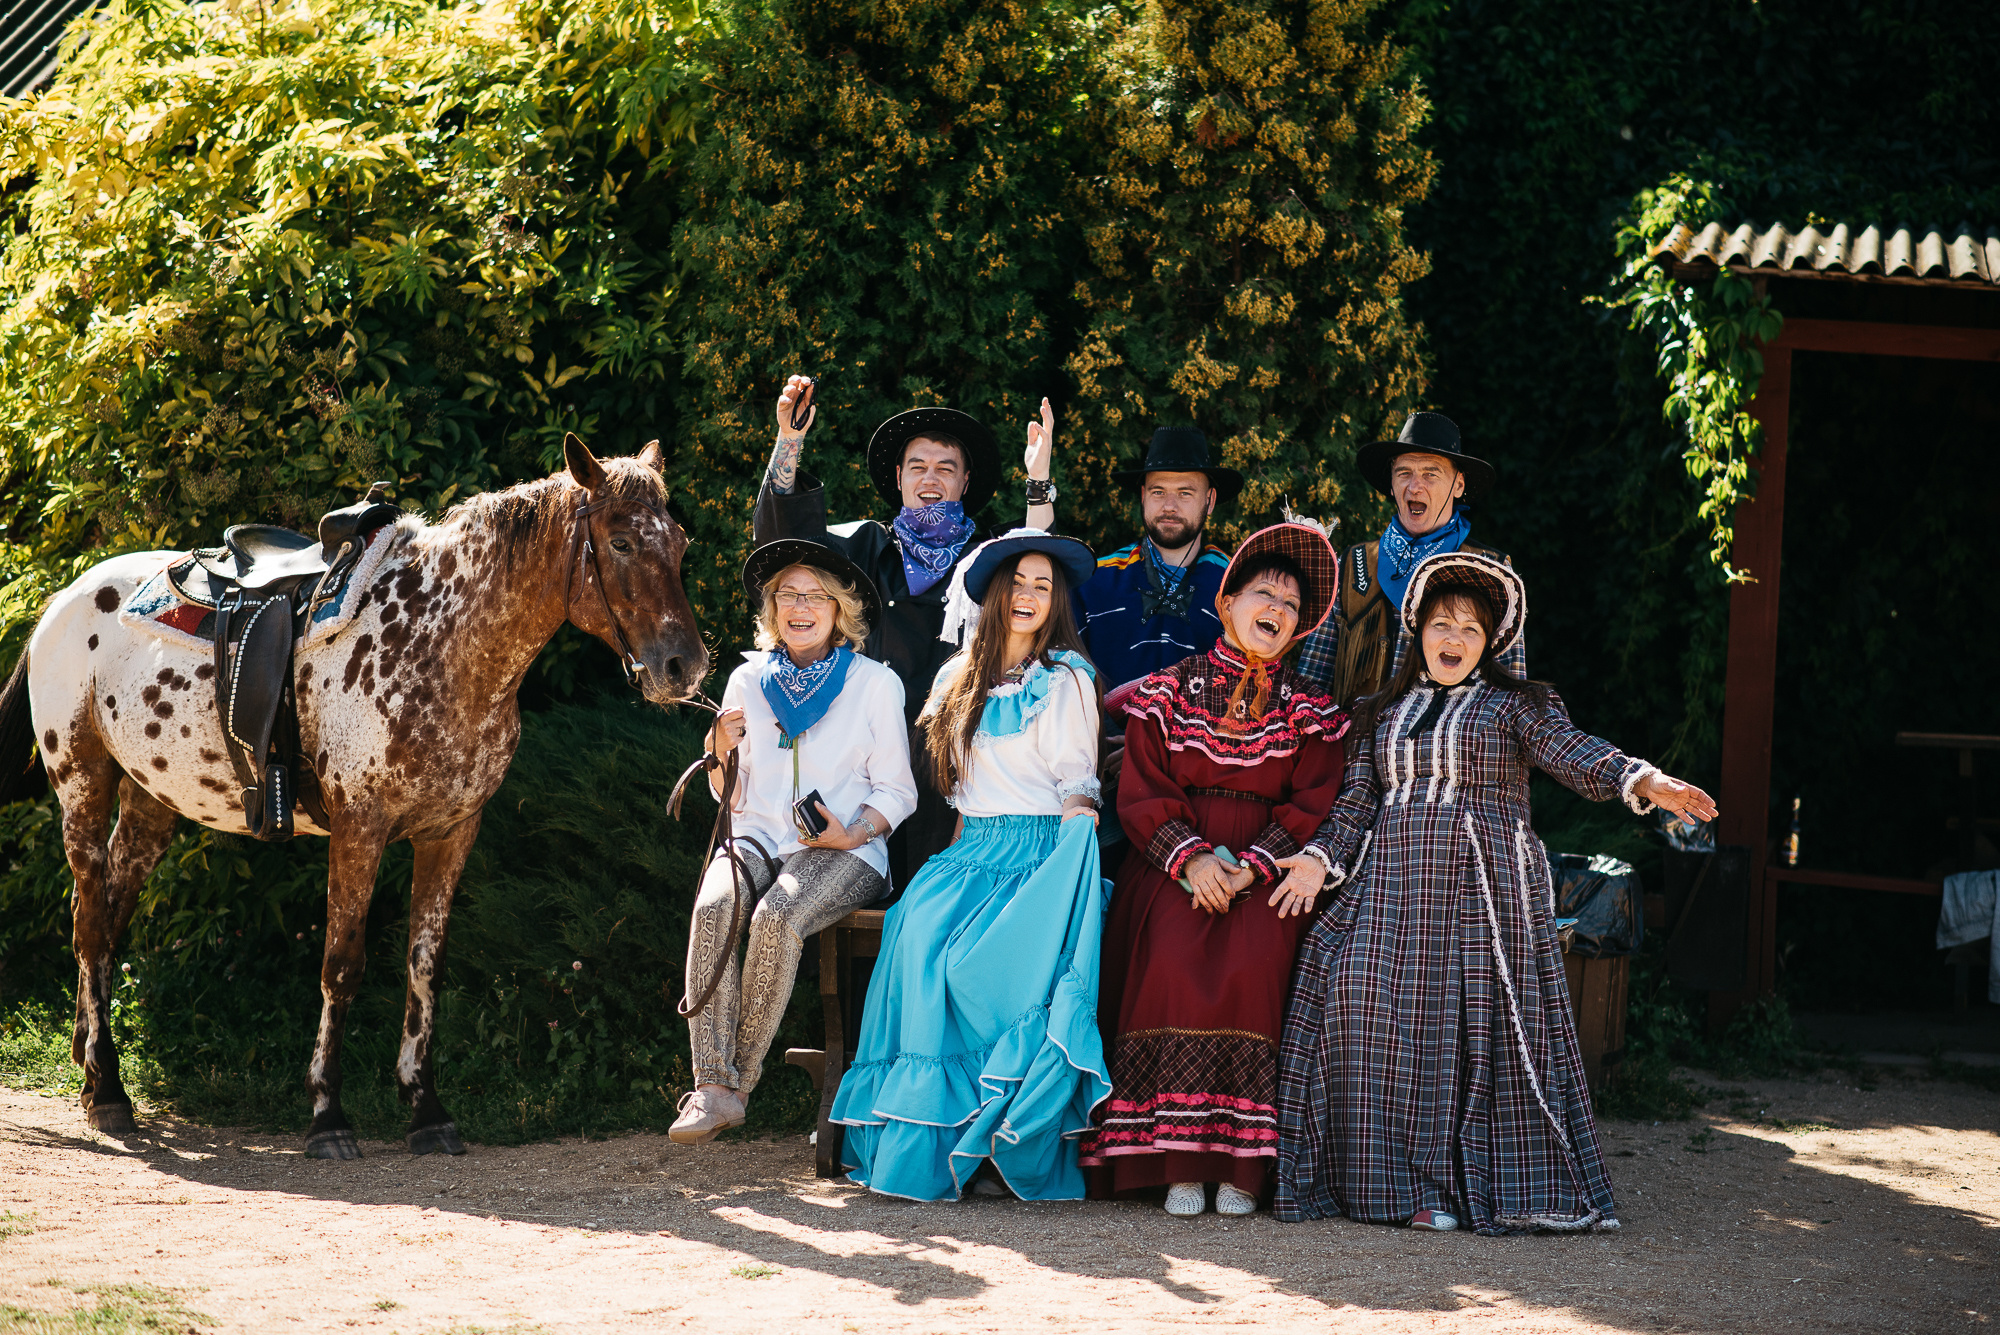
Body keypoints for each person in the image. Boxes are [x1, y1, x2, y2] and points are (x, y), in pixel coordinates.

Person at [1270, 552, 1717, 1234]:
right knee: (1352, 995)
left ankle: (1453, 1187)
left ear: (1491, 642)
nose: (1453, 639)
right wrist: (1317, 860)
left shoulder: (1516, 707)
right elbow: (1357, 803)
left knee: (1454, 1033)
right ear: (1418, 629)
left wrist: (1644, 779)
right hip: (1388, 888)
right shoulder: (1377, 711)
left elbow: (1573, 752)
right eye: (1442, 624)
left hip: (1478, 891)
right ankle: (1390, 1187)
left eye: (1471, 629)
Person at [1077, 522, 1349, 1217]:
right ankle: (1176, 1162)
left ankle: (1240, 1166)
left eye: (1292, 604)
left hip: (1267, 866)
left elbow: (1313, 800)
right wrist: (1193, 858)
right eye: (1264, 594)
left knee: (1255, 964)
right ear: (1227, 603)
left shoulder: (1312, 711)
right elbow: (1141, 788)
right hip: (1174, 859)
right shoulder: (1169, 691)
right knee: (1170, 957)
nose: (1277, 609)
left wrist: (1252, 867)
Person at [830, 530, 1110, 1201]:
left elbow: (1078, 783)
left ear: (1056, 602)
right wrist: (949, 863)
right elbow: (960, 791)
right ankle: (937, 1138)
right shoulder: (956, 678)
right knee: (917, 936)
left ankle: (996, 1142)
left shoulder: (1067, 678)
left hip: (1042, 851)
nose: (1029, 596)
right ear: (992, 594)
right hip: (972, 850)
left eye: (1044, 586)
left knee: (983, 967)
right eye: (1018, 583)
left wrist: (1076, 849)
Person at [755, 377, 1059, 885]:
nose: (930, 478)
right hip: (863, 766)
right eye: (918, 466)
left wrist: (1039, 477)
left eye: (946, 468)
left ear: (965, 482)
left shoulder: (986, 558)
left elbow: (1036, 551)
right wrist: (789, 440)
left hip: (954, 767)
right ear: (899, 477)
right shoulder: (863, 547)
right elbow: (784, 542)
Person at [670, 540, 918, 1145]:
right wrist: (717, 752)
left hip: (845, 849)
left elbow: (899, 791)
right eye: (787, 595)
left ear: (839, 610)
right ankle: (710, 1085)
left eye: (815, 597)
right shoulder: (747, 680)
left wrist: (851, 831)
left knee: (776, 916)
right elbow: (730, 799)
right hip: (758, 833)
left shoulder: (874, 684)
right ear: (772, 607)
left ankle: (736, 1086)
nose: (799, 607)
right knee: (714, 907)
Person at [1294, 411, 1521, 707]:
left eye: (1430, 474)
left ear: (1458, 485)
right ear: (1391, 484)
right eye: (1404, 473)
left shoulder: (1492, 571)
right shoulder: (1351, 565)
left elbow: (1510, 698)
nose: (1414, 486)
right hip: (1353, 736)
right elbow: (1310, 687)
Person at [1072, 427, 1242, 695]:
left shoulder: (1236, 587)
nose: (1169, 506)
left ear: (1210, 501)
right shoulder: (1094, 581)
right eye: (1158, 491)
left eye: (1185, 493)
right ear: (1143, 496)